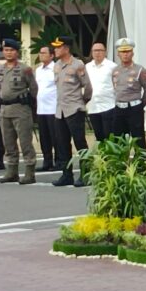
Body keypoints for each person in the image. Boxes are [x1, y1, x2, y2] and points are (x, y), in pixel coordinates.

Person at [51, 36, 93, 187]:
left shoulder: (77, 64)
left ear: (66, 49)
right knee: (62, 143)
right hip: (60, 110)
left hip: (74, 109)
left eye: (58, 47)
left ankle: (86, 174)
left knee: (80, 142)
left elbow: (87, 87)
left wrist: (81, 102)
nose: (55, 50)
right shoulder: (56, 65)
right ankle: (66, 174)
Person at [0, 39, 38, 184]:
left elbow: (33, 89)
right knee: (8, 143)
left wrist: (29, 103)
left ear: (17, 52)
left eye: (11, 50)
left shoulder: (24, 69)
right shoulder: (0, 69)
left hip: (21, 109)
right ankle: (12, 171)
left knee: (25, 142)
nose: (8, 53)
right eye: (6, 50)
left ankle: (29, 172)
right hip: (4, 110)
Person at [112, 38, 146, 150]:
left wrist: (140, 105)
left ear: (132, 53)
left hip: (134, 107)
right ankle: (121, 164)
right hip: (119, 108)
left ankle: (140, 164)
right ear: (118, 54)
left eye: (128, 51)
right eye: (122, 52)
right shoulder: (115, 70)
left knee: (138, 137)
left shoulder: (140, 69)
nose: (125, 55)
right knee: (118, 138)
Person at [34, 45, 68, 172]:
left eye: (44, 52)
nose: (41, 54)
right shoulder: (38, 70)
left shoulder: (56, 68)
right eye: (40, 52)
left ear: (52, 55)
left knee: (56, 137)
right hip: (41, 109)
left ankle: (59, 161)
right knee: (44, 138)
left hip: (53, 108)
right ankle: (47, 161)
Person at [85, 42, 117, 142]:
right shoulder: (87, 67)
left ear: (105, 52)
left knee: (110, 135)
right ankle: (102, 156)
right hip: (93, 106)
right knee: (99, 136)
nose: (97, 53)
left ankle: (111, 157)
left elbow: (117, 85)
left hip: (109, 106)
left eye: (100, 50)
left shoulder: (112, 66)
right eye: (95, 51)